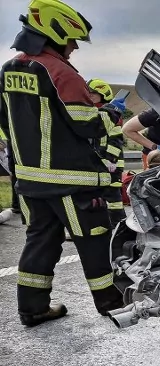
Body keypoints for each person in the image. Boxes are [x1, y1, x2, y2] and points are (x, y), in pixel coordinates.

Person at [0, 0, 126, 326]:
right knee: (95, 240)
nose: (72, 49)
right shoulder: (59, 71)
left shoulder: (9, 69)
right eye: (71, 41)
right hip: (73, 180)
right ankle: (113, 304)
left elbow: (6, 122)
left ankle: (33, 308)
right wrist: (105, 118)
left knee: (40, 241)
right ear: (55, 33)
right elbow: (86, 123)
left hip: (29, 180)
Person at [86, 78, 126, 223]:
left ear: (103, 95)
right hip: (98, 164)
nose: (89, 96)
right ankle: (102, 224)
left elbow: (116, 139)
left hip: (111, 165)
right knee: (96, 197)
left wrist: (112, 159)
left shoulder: (112, 115)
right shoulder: (94, 113)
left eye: (93, 94)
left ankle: (118, 225)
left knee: (113, 197)